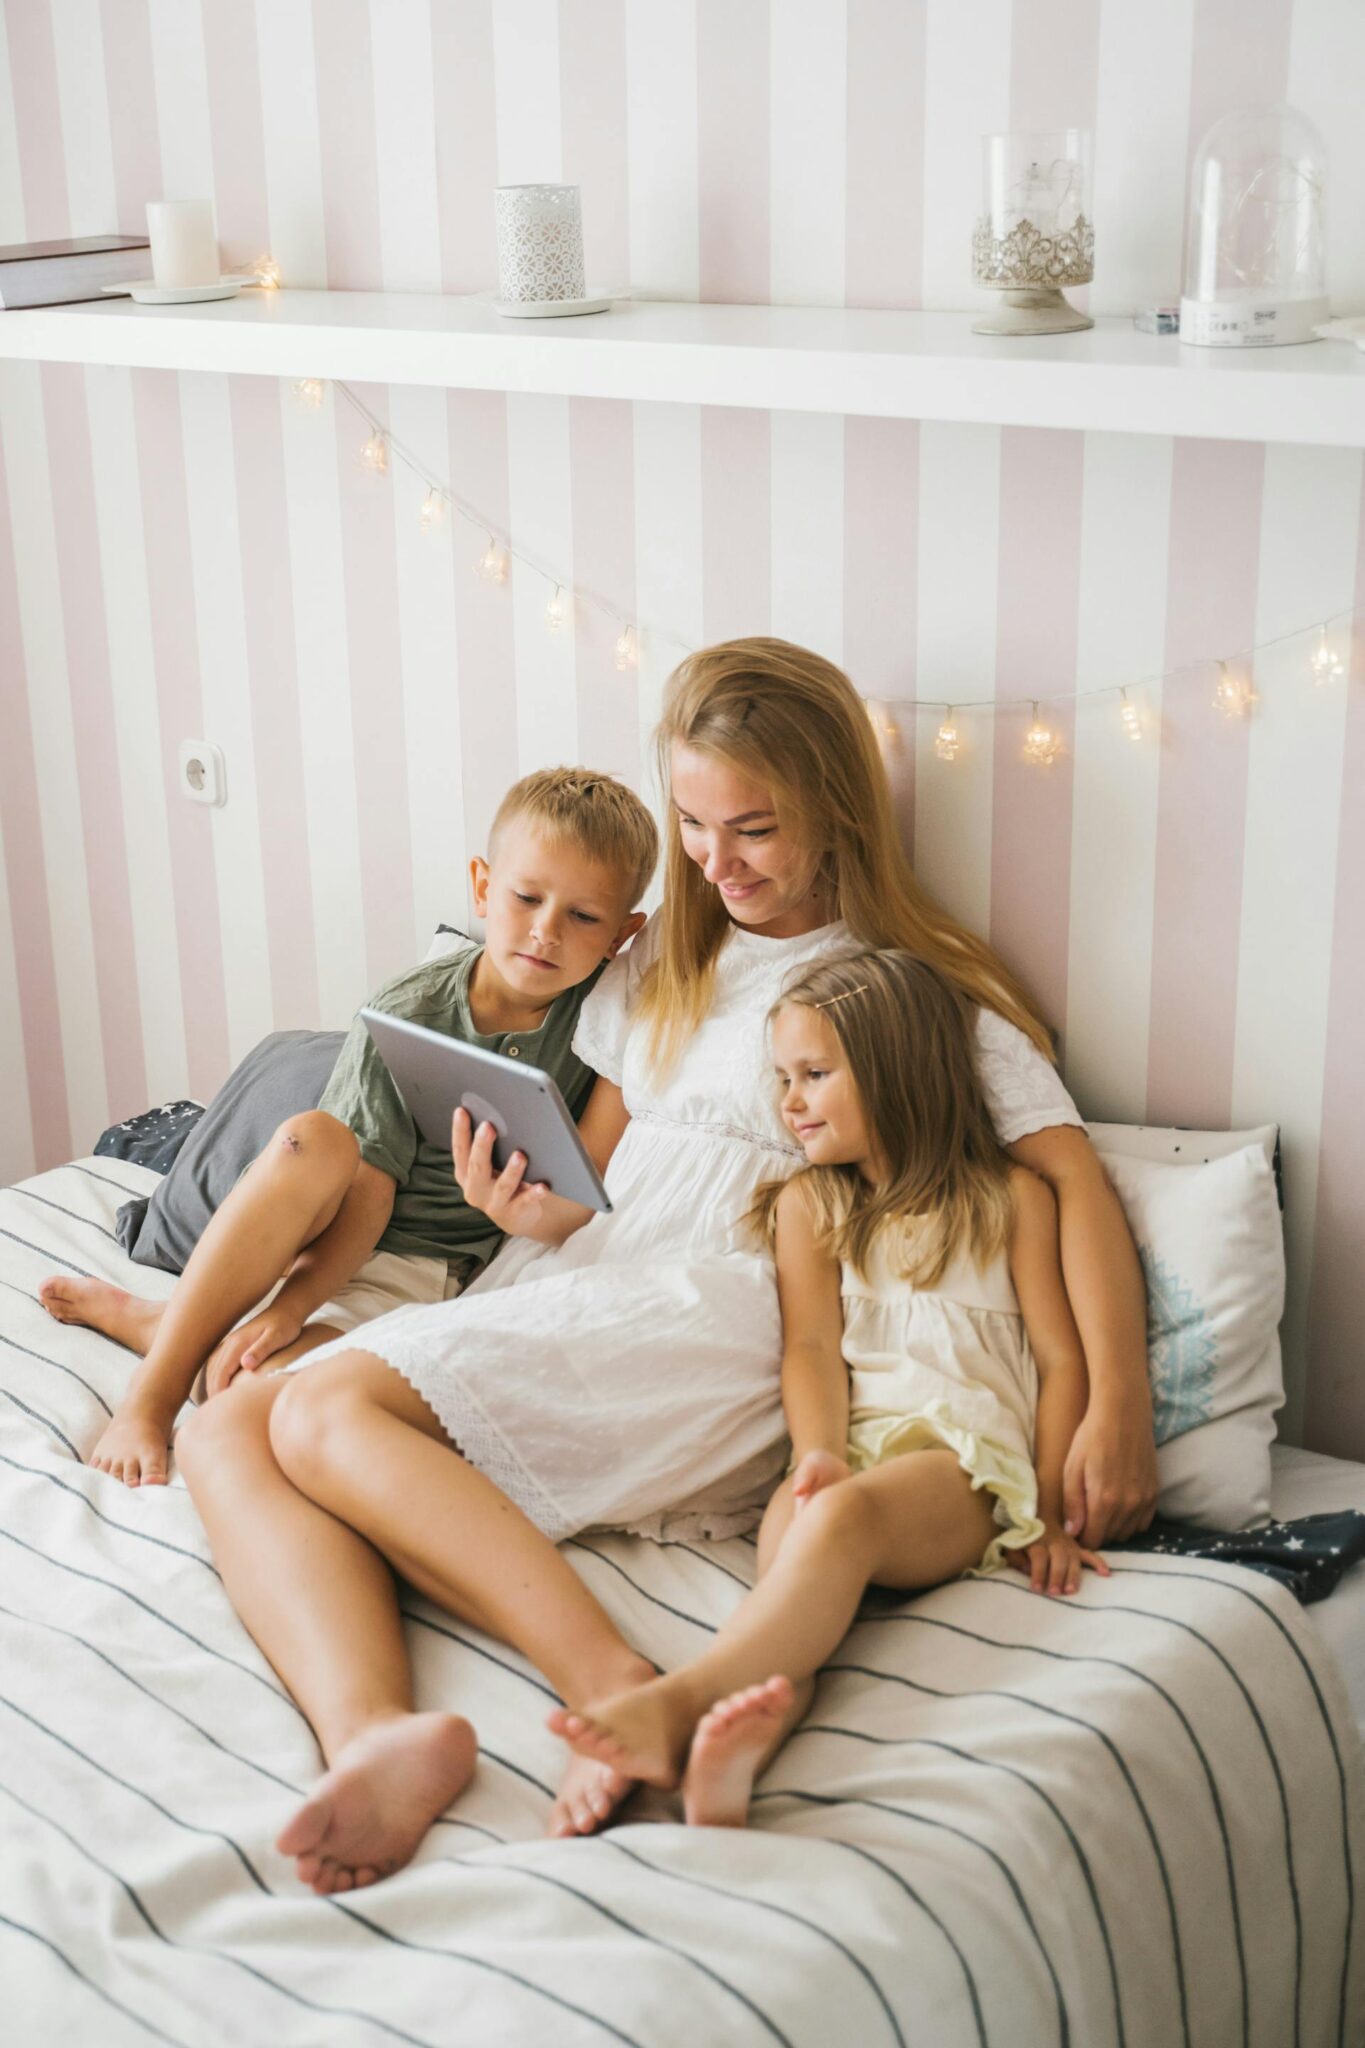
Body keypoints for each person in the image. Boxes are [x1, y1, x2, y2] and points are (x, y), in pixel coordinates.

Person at [175, 636, 1156, 1895]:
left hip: (722, 1304)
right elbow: (583, 1187)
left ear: (837, 809)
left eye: (754, 828)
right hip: (589, 1277)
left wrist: (1118, 1403)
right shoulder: (664, 963)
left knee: (322, 1410)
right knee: (225, 1425)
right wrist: (519, 1209)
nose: (716, 860)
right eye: (694, 824)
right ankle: (374, 1732)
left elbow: (1074, 1184)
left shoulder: (902, 991)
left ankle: (617, 1684)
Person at [549, 945, 1111, 1826]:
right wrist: (817, 1455)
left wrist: (1043, 1508)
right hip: (847, 1453)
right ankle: (726, 1770)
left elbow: (1061, 1357)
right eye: (783, 1078)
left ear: (896, 1073)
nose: (789, 1102)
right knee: (788, 1592)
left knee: (839, 1523)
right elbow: (809, 1350)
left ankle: (675, 1701)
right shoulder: (809, 1205)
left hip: (962, 1464)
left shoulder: (1012, 1199)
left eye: (813, 1075)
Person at [40, 767, 656, 1488]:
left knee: (254, 1390)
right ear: (483, 888)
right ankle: (151, 1395)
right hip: (323, 1225)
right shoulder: (410, 1008)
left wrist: (510, 1213)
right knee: (316, 1137)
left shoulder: (602, 1022)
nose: (546, 931)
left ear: (622, 935)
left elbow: (582, 1185)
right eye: (526, 898)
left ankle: (168, 1325)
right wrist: (292, 1304)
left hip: (418, 1265)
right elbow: (366, 1192)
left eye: (583, 917)